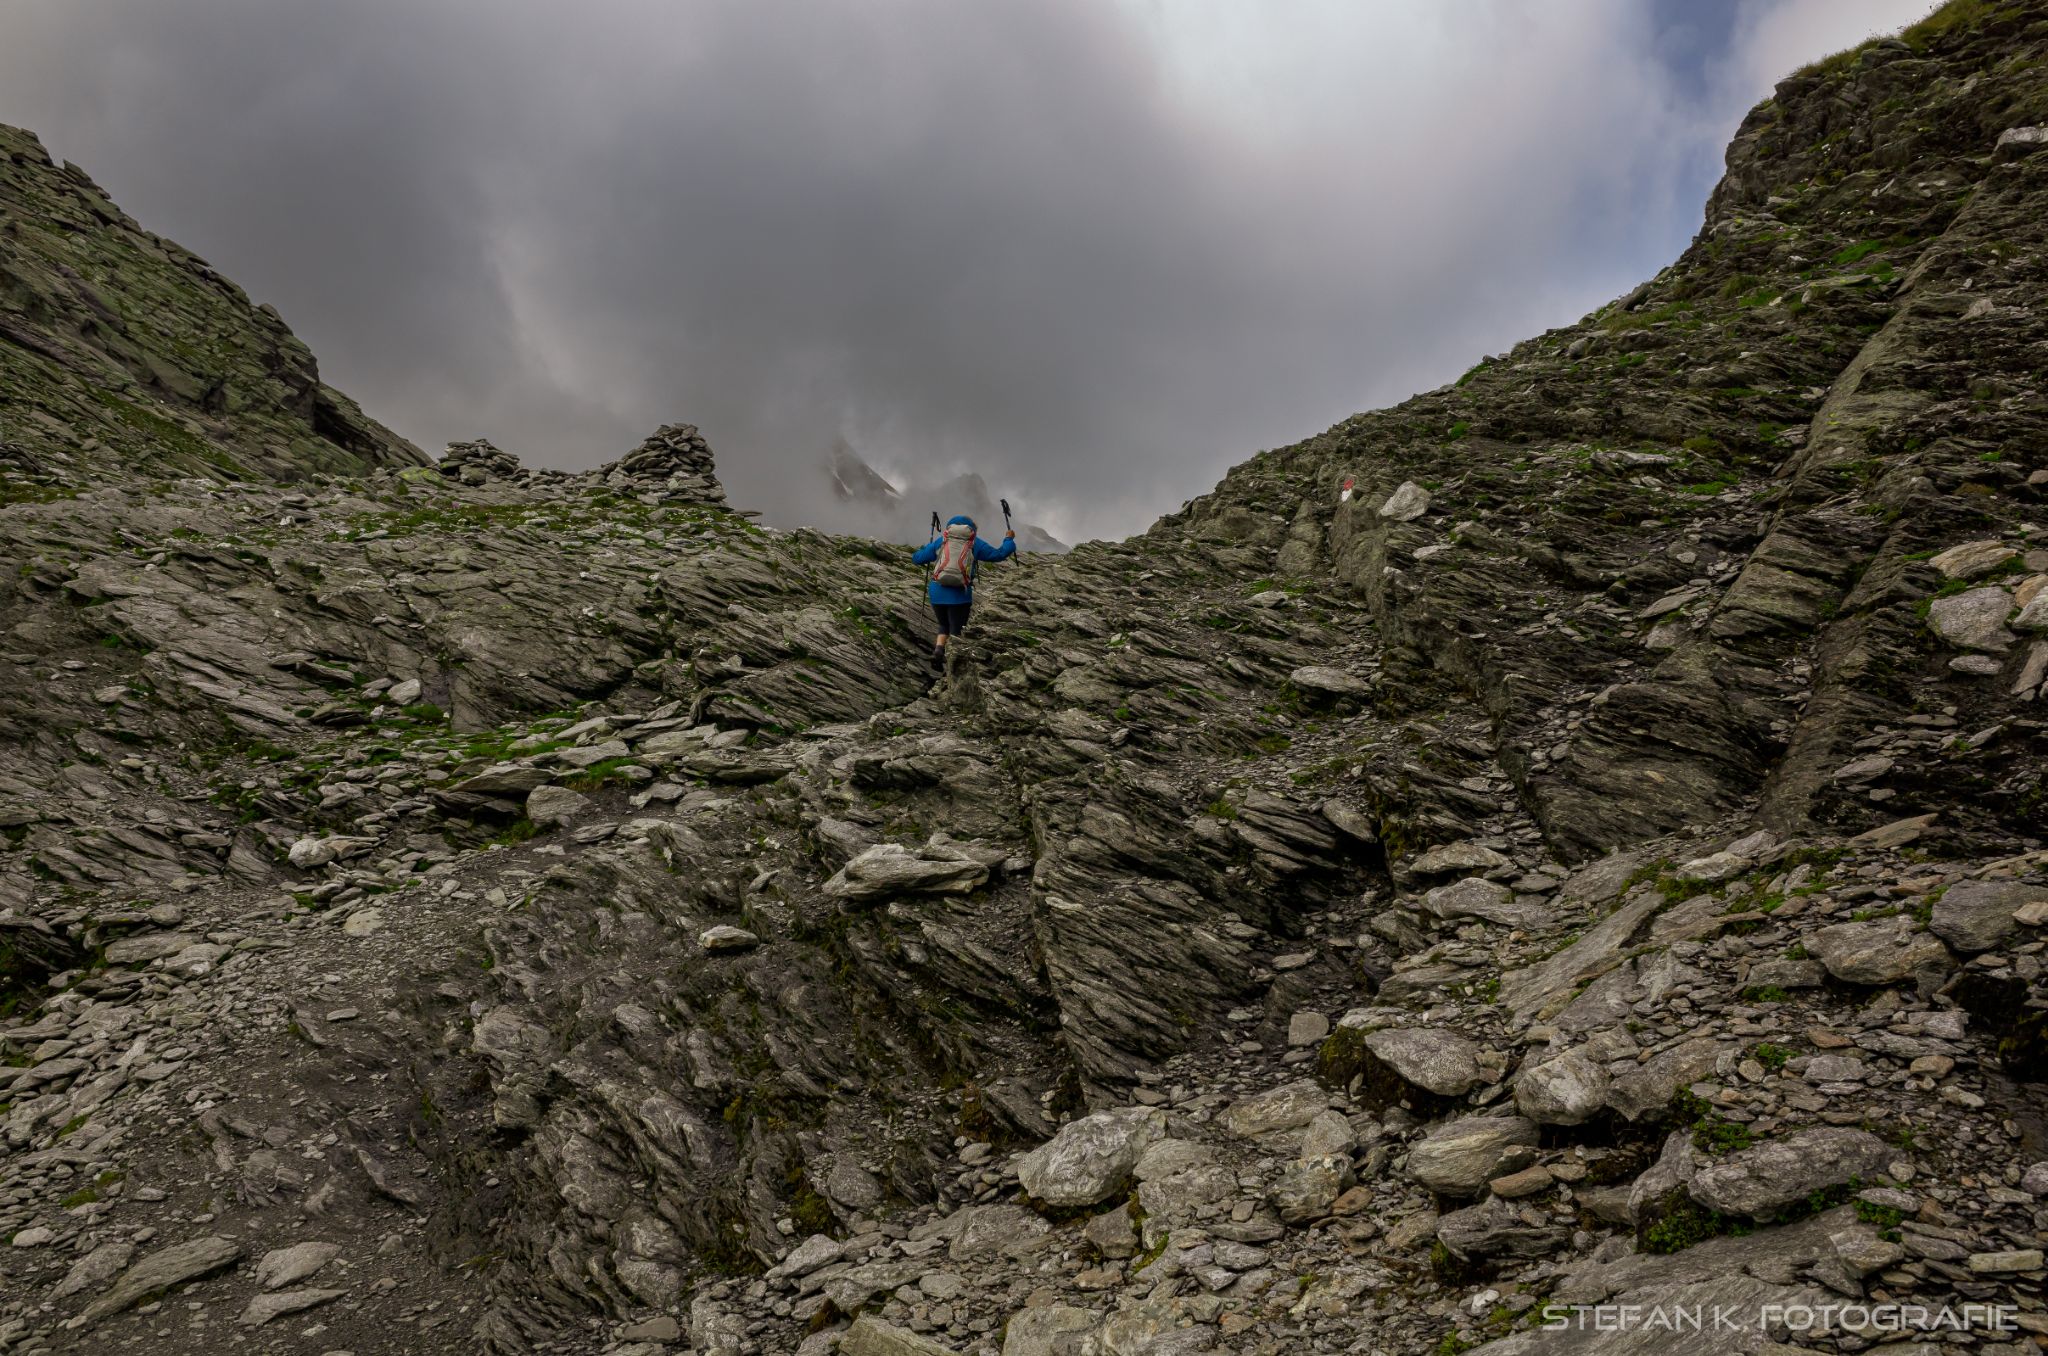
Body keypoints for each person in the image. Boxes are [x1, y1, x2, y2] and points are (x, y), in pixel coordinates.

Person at [912, 514, 1014, 670]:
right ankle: (952, 669)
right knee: (956, 631)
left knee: (943, 624)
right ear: (971, 529)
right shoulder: (974, 543)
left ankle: (939, 651)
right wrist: (1009, 540)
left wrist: (925, 548)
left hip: (937, 593)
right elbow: (999, 554)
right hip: (960, 595)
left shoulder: (943, 540)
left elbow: (918, 558)